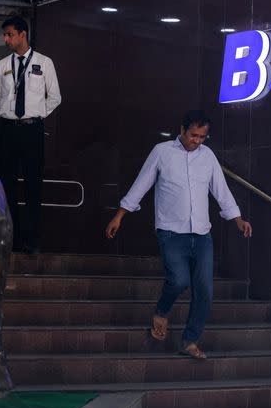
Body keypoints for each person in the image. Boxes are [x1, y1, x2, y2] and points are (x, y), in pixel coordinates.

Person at [105, 110, 252, 359]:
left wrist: (237, 219)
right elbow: (142, 184)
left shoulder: (208, 157)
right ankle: (162, 311)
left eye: (203, 137)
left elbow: (221, 190)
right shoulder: (162, 152)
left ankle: (190, 340)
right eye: (194, 135)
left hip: (202, 234)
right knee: (179, 280)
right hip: (171, 232)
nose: (197, 141)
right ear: (182, 130)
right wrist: (120, 215)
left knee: (205, 289)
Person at [0, 15, 61, 253]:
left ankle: (31, 240)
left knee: (33, 186)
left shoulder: (44, 62)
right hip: (8, 130)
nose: (6, 39)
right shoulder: (2, 65)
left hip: (33, 129)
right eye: (4, 35)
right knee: (7, 186)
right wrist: (11, 114)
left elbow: (55, 97)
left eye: (9, 34)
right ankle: (12, 239)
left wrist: (37, 114)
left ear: (23, 34)